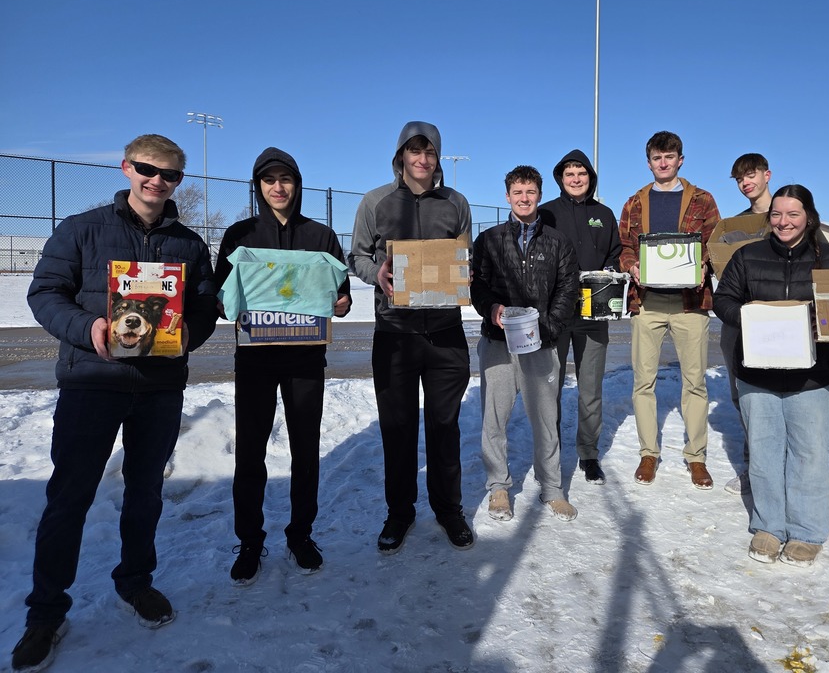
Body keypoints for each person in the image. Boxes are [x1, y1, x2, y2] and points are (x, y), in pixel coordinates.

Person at [13, 135, 220, 672]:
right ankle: (46, 611)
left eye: (170, 175)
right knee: (70, 497)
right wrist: (90, 327)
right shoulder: (81, 230)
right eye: (148, 170)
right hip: (92, 382)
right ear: (127, 168)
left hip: (159, 386)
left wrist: (183, 335)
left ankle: (135, 582)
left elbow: (204, 308)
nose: (157, 181)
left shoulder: (190, 246)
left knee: (146, 490)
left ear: (179, 181)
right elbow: (44, 293)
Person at [214, 147, 352, 586]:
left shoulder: (321, 236)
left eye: (286, 179)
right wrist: (225, 304)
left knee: (305, 449)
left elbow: (342, 295)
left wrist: (342, 303)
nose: (278, 187)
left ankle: (301, 534)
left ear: (297, 185)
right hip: (255, 358)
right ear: (257, 186)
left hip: (306, 359)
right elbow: (221, 299)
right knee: (251, 451)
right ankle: (250, 540)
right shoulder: (238, 236)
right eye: (269, 179)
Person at [348, 121, 474, 554]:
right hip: (395, 334)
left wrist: (465, 272)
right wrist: (375, 273)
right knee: (398, 428)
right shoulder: (375, 202)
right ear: (401, 155)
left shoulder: (456, 202)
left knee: (445, 426)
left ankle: (449, 509)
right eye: (414, 151)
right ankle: (399, 513)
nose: (422, 159)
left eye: (430, 152)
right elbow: (358, 255)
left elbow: (464, 253)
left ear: (438, 158)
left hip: (445, 333)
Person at [713, 184, 829, 567]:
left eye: (792, 214)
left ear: (808, 215)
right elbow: (722, 300)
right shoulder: (748, 256)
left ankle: (807, 530)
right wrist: (750, 316)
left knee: (808, 453)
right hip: (757, 373)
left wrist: (819, 323)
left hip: (813, 375)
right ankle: (769, 526)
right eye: (776, 214)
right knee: (764, 452)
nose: (783, 222)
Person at [472, 165, 580, 522]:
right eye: (517, 192)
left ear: (539, 194)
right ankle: (498, 487)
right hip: (497, 341)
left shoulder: (557, 241)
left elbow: (568, 288)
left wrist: (547, 328)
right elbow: (478, 286)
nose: (524, 198)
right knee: (494, 417)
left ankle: (552, 489)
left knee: (546, 419)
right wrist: (492, 310)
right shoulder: (488, 240)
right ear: (507, 196)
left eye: (530, 192)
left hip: (541, 344)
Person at [618, 131, 721, 488]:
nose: (663, 163)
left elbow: (714, 242)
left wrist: (704, 264)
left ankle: (697, 457)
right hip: (646, 303)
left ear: (680, 160)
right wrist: (630, 265)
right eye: (657, 158)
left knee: (695, 382)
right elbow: (625, 246)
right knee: (642, 382)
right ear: (649, 163)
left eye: (669, 157)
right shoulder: (635, 203)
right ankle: (649, 453)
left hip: (690, 304)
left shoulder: (702, 200)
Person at [538, 149, 622, 485]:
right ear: (560, 178)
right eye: (570, 173)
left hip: (593, 313)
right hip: (555, 314)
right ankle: (551, 453)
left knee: (590, 389)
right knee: (551, 389)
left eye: (582, 173)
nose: (576, 179)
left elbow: (615, 254)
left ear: (590, 178)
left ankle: (588, 454)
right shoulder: (546, 214)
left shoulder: (603, 213)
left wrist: (610, 274)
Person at [721, 153, 773, 496]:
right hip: (739, 322)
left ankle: (779, 466)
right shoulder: (734, 227)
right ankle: (753, 467)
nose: (746, 183)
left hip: (780, 321)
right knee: (744, 397)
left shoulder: (790, 215)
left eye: (751, 175)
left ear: (767, 175)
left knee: (778, 396)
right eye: (740, 179)